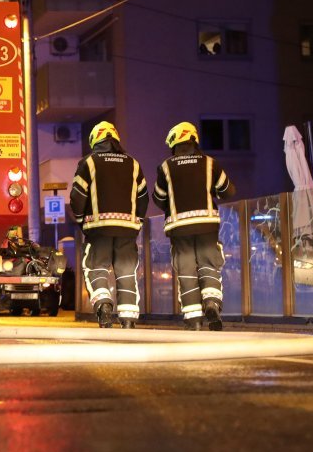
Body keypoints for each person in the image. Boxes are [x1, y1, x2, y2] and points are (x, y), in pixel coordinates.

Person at [152, 122, 236, 331]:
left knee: (187, 269)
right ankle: (211, 303)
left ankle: (193, 320)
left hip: (179, 227)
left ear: (174, 142)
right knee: (209, 265)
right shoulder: (210, 163)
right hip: (207, 225)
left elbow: (158, 198)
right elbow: (228, 191)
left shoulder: (166, 166)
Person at [71, 121, 149, 329]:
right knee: (126, 271)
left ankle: (104, 306)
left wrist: (81, 220)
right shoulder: (133, 164)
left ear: (95, 140)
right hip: (128, 230)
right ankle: (129, 317)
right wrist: (137, 222)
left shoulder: (88, 163)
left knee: (95, 268)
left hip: (98, 229)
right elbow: (143, 197)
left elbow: (77, 197)